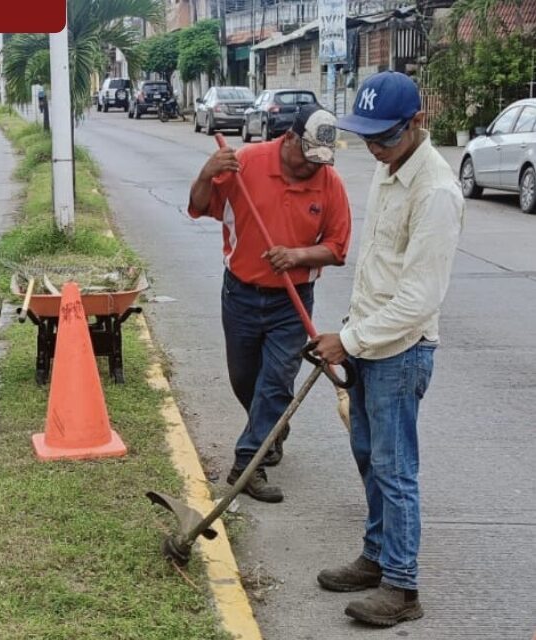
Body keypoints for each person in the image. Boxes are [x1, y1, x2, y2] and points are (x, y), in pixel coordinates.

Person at [313, 71, 465, 627]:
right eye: (368, 137)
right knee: (367, 457)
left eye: (386, 137)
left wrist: (349, 339)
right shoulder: (387, 171)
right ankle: (376, 557)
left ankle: (402, 587)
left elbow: (419, 300)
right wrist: (350, 334)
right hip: (368, 343)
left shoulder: (437, 193)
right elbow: (376, 270)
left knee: (395, 469)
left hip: (402, 352)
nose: (375, 148)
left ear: (417, 123)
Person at [188, 105, 352, 503]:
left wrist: (296, 256)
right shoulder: (246, 163)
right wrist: (207, 173)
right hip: (241, 294)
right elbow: (198, 206)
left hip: (291, 303)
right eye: (309, 156)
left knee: (276, 381)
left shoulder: (329, 183)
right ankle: (271, 429)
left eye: (322, 161)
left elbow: (337, 248)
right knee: (245, 379)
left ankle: (248, 463)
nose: (315, 167)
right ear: (291, 138)